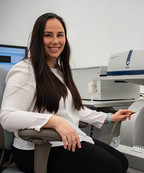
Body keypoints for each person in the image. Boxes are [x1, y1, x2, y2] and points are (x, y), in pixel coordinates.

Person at [0, 12, 134, 173]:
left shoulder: (60, 71)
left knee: (122, 162)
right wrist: (55, 121)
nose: (55, 41)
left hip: (61, 141)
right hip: (36, 149)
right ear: (37, 38)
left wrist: (110, 118)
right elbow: (7, 116)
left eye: (60, 35)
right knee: (111, 166)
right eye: (48, 35)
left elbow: (74, 110)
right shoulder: (25, 70)